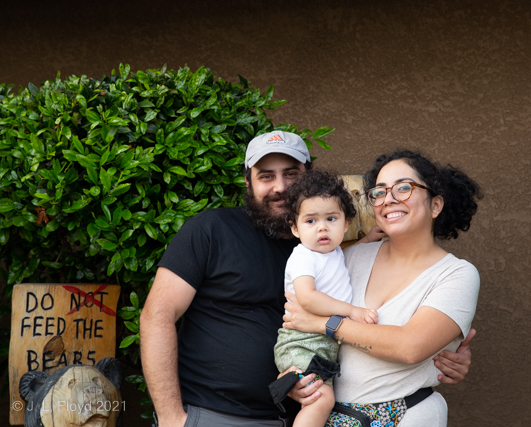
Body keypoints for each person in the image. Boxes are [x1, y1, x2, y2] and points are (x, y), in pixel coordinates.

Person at [140, 131, 474, 427]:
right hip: (213, 415)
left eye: (291, 174)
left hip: (295, 415)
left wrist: (439, 353)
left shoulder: (335, 251)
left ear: (308, 178)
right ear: (248, 181)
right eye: (266, 176)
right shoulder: (212, 230)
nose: (280, 186)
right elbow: (157, 315)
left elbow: (402, 336)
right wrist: (171, 418)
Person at [283, 150, 481, 426]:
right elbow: (296, 321)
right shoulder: (350, 258)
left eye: (403, 188)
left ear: (436, 205)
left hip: (406, 415)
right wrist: (291, 375)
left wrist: (325, 323)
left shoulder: (456, 274)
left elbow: (410, 347)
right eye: (379, 191)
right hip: (334, 417)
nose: (389, 199)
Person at [274, 170, 378, 427]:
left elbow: (339, 259)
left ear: (345, 224)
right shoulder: (303, 257)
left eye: (331, 218)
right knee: (321, 399)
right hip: (303, 342)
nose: (322, 227)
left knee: (322, 397)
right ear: (294, 228)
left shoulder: (332, 253)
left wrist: (366, 241)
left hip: (322, 343)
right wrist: (351, 311)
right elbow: (308, 299)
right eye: (311, 221)